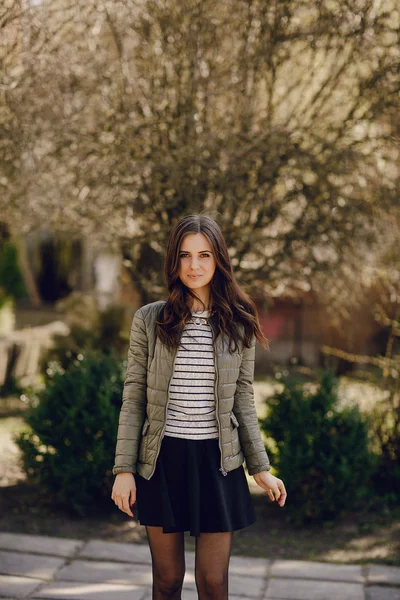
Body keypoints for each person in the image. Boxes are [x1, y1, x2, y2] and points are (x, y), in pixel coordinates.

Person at [111, 213, 287, 600]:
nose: (194, 266)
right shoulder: (150, 319)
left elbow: (243, 399)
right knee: (168, 580)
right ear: (174, 261)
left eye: (204, 255)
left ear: (218, 260)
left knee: (212, 582)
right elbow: (134, 395)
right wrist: (124, 469)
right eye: (185, 256)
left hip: (217, 461)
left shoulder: (239, 324)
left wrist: (261, 468)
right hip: (162, 458)